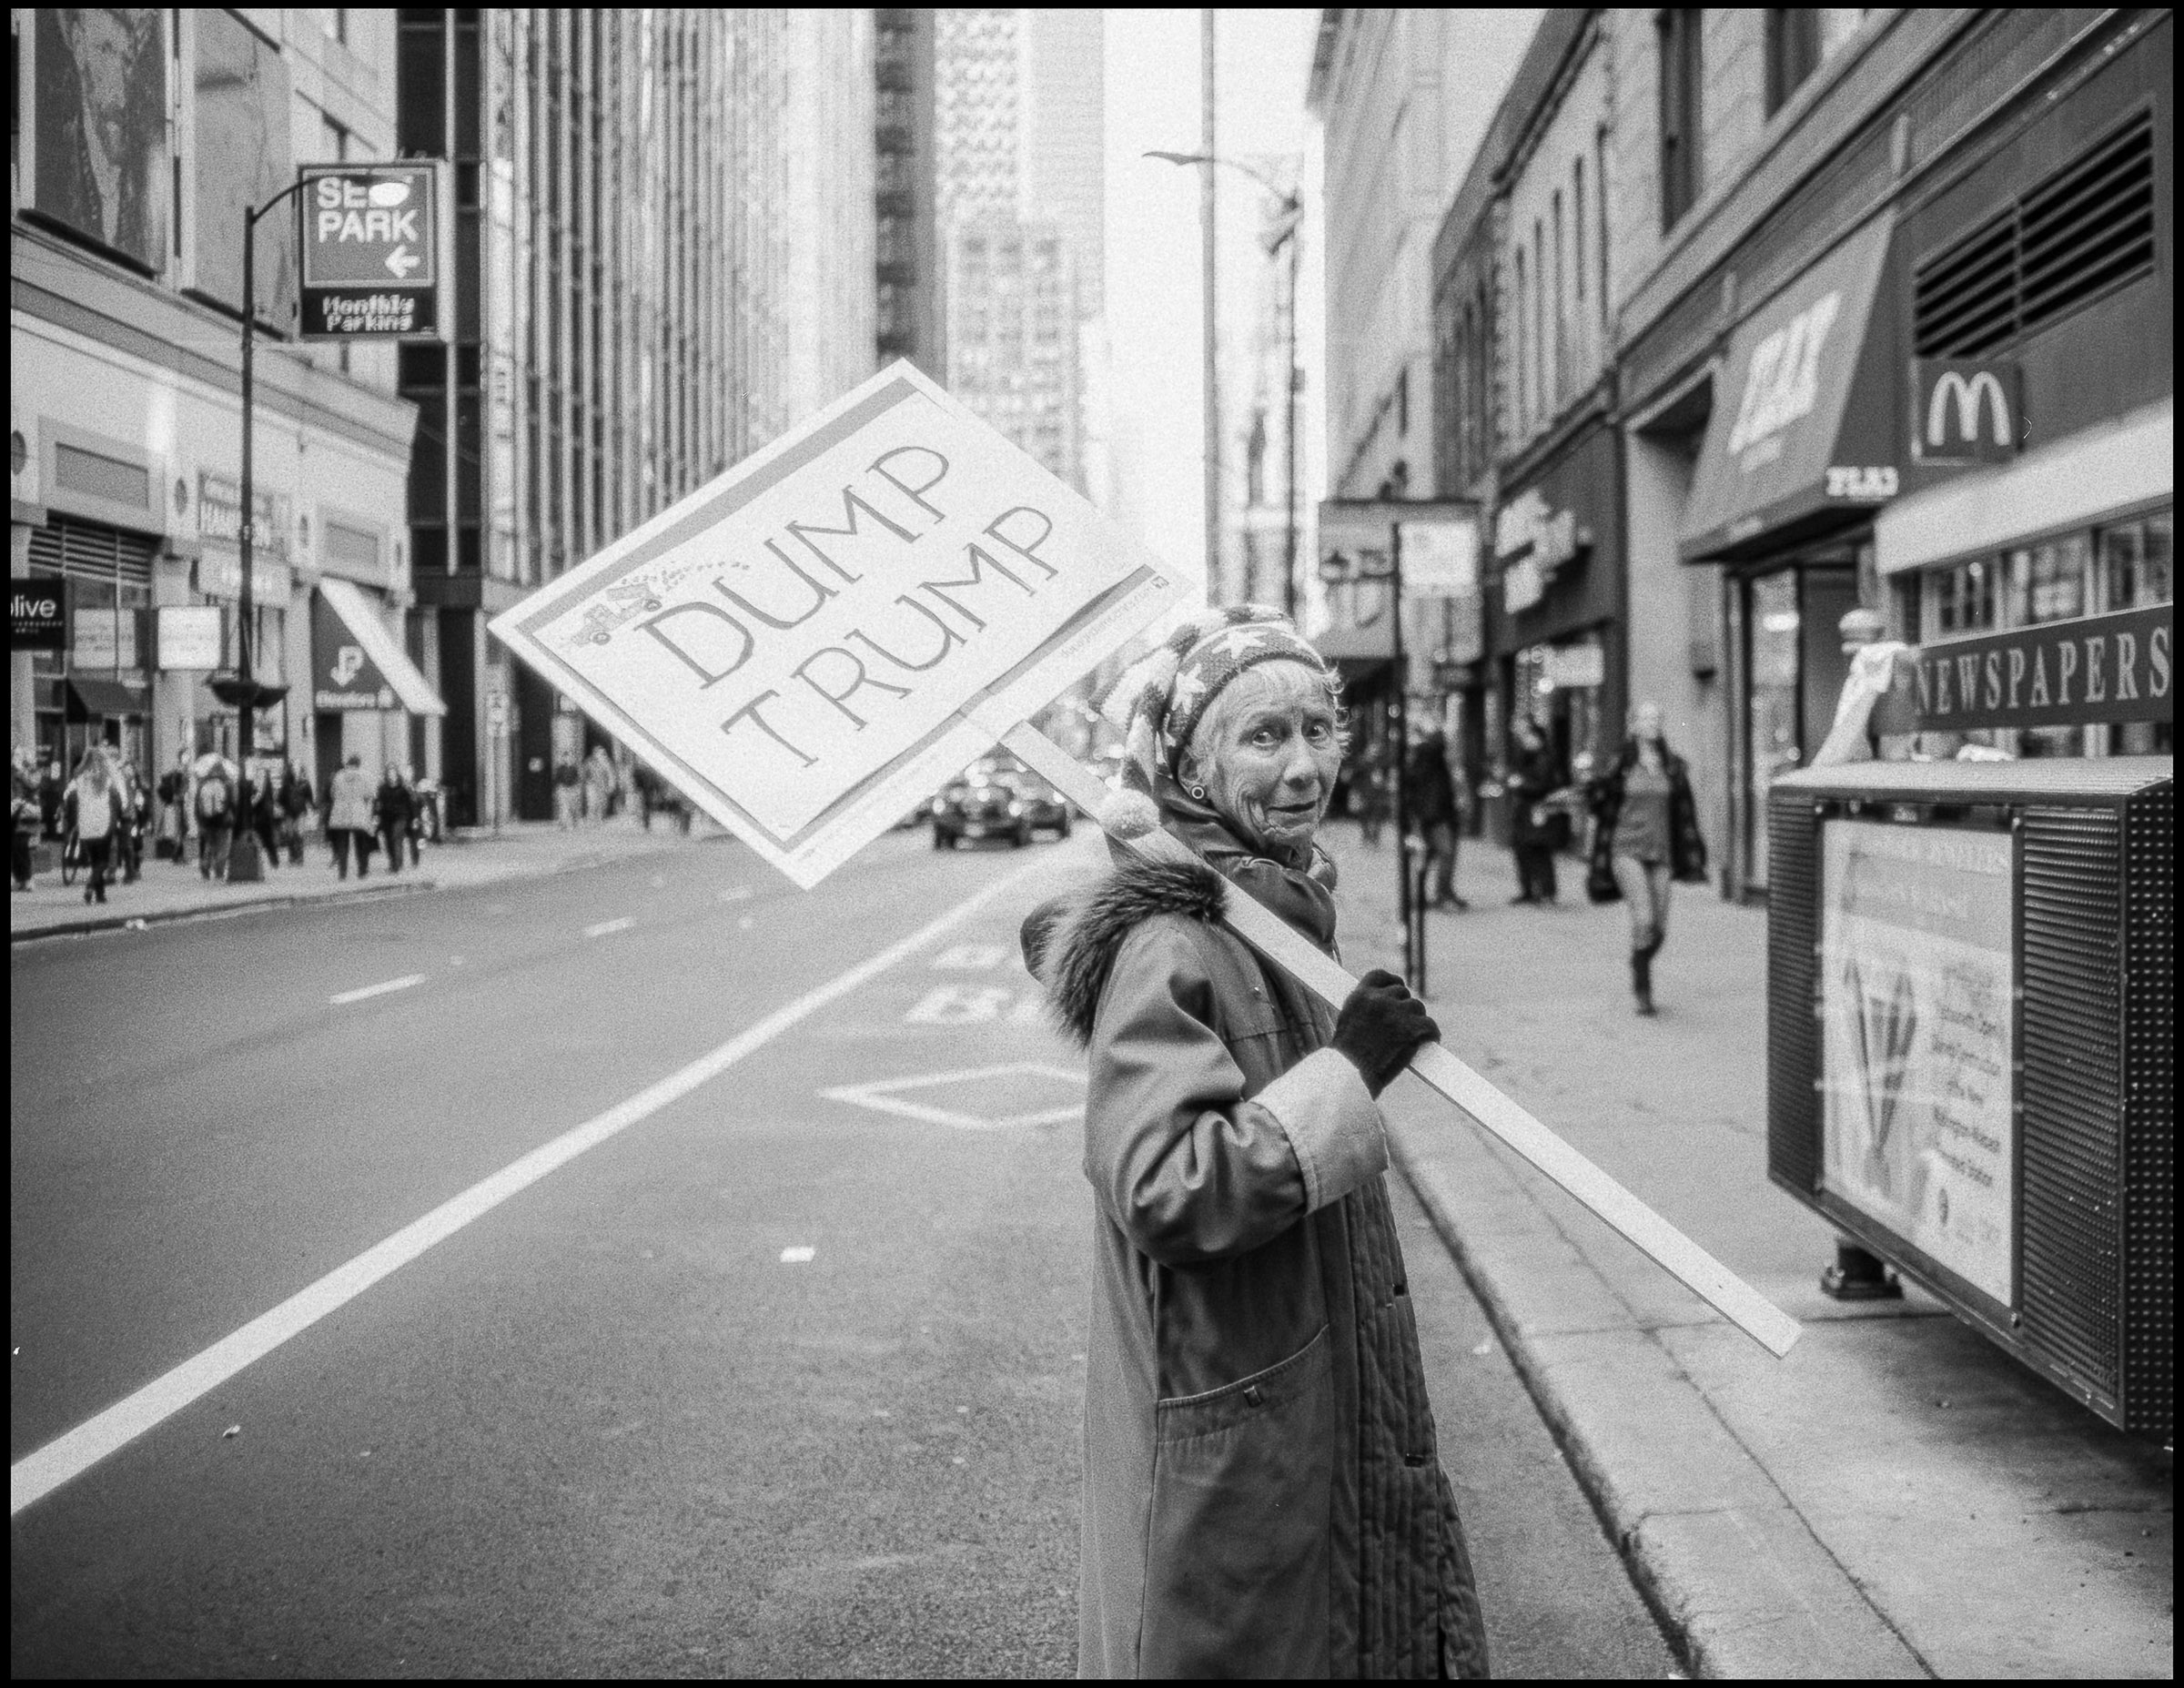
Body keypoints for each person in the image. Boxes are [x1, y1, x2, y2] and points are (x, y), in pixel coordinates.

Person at [1018, 607, 1486, 1680]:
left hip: (1300, 1429)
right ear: (1193, 765)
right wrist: (1350, 1074)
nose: (1304, 763)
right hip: (1234, 1458)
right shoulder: (1172, 943)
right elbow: (1172, 1187)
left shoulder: (1276, 923)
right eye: (1264, 736)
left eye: (1319, 728)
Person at [1587, 701, 1709, 1016]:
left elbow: (1685, 813)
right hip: (1626, 849)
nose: (1654, 723)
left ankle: (1638, 957)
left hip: (1662, 852)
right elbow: (1598, 800)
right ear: (1634, 724)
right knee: (1644, 919)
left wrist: (1694, 850)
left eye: (1658, 718)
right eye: (1647, 718)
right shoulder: (1621, 765)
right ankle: (1643, 986)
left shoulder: (1672, 765)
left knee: (1660, 930)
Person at [1406, 723, 1469, 910]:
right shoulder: (1431, 756)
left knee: (1430, 855)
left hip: (1434, 814)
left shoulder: (1424, 758)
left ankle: (1427, 895)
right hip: (1436, 815)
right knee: (1445, 853)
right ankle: (1443, 894)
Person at [1505, 714, 1566, 905]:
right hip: (1525, 811)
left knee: (1538, 851)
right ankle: (1530, 890)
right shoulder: (1525, 756)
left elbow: (1541, 785)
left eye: (1531, 737)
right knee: (1524, 850)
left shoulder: (1543, 759)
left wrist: (1519, 784)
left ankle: (1545, 891)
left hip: (1537, 811)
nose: (1527, 741)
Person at [62, 748, 126, 905]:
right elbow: (120, 800)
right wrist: (120, 815)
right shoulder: (107, 779)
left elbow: (67, 795)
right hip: (104, 823)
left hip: (85, 824)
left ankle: (101, 894)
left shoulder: (80, 778)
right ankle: (90, 886)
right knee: (103, 861)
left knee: (94, 860)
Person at [325, 754, 377, 880]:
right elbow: (370, 794)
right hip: (358, 812)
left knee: (342, 844)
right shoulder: (365, 776)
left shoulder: (338, 776)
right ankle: (362, 871)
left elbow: (332, 794)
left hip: (340, 812)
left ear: (348, 764)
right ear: (359, 764)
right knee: (361, 843)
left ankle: (342, 874)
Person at [192, 751, 238, 881]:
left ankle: (205, 869)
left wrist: (200, 821)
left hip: (207, 821)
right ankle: (219, 872)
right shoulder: (228, 784)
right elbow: (233, 803)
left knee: (209, 845)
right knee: (223, 847)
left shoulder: (202, 784)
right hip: (223, 821)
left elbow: (197, 805)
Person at [374, 764, 415, 874]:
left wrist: (413, 818)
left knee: (396, 838)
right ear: (386, 776)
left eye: (393, 774)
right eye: (389, 774)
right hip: (386, 817)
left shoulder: (403, 788)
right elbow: (378, 803)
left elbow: (410, 804)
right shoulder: (382, 789)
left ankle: (397, 864)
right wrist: (376, 815)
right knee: (388, 842)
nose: (391, 777)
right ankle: (393, 863)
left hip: (401, 816)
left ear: (397, 775)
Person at [11, 749, 41, 890]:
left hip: (26, 812)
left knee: (22, 845)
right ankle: (19, 878)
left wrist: (20, 772)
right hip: (13, 811)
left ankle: (28, 878)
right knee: (14, 847)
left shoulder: (32, 771)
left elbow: (33, 784)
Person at [279, 761, 315, 866]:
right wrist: (313, 808)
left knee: (291, 835)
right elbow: (310, 799)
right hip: (301, 812)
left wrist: (283, 807)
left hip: (289, 813)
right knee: (299, 834)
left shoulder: (285, 784)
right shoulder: (306, 784)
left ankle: (292, 857)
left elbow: (280, 799)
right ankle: (299, 857)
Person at [582, 743, 617, 824]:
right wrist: (587, 781)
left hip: (603, 785)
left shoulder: (607, 763)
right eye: (599, 753)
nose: (602, 754)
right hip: (591, 786)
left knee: (602, 803)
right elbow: (583, 772)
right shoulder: (589, 762)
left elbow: (611, 775)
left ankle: (600, 818)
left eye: (603, 753)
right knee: (592, 803)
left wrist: (611, 786)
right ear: (595, 753)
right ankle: (591, 818)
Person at [552, 753, 581, 829]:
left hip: (572, 789)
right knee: (564, 808)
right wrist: (557, 790)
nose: (567, 760)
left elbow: (578, 779)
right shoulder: (560, 769)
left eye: (569, 758)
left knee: (573, 807)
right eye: (565, 758)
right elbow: (556, 780)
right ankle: (563, 824)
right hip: (563, 789)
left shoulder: (574, 768)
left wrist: (577, 789)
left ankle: (574, 823)